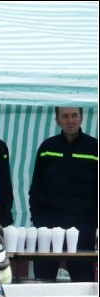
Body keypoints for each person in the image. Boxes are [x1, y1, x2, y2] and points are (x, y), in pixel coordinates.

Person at [28, 106, 98, 283]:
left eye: (74, 115)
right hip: (48, 228)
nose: (70, 120)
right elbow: (35, 187)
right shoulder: (47, 147)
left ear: (82, 118)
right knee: (43, 281)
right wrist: (38, 220)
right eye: (65, 116)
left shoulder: (94, 148)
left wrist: (94, 223)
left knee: (83, 283)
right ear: (57, 120)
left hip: (83, 230)